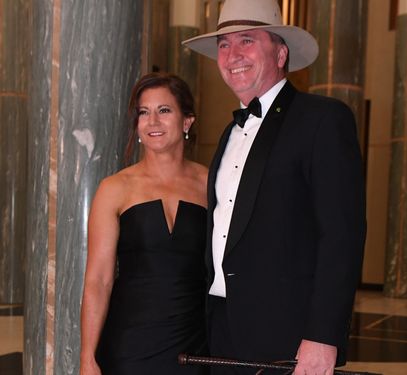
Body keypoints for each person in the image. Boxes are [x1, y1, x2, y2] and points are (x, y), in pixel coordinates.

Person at [182, 0, 366, 374]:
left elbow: (341, 237)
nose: (233, 54)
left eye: (247, 40)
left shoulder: (323, 120)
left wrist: (323, 336)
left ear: (281, 53)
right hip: (222, 327)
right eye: (224, 44)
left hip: (290, 336)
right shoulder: (228, 134)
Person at [80, 72, 209, 374]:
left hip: (194, 344)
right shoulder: (114, 188)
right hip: (128, 344)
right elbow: (98, 280)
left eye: (164, 111)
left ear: (186, 121)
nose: (152, 122)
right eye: (144, 112)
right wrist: (88, 358)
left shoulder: (212, 183)